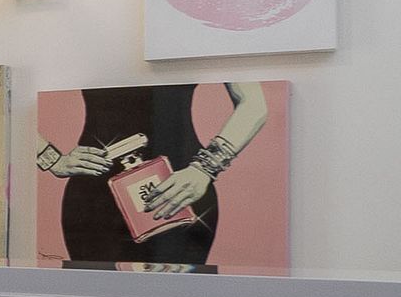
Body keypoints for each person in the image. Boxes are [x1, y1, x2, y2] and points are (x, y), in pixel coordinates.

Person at [35, 82, 267, 269]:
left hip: (179, 191)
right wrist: (52, 159)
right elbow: (13, 98)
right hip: (94, 201)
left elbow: (254, 104)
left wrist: (205, 168)